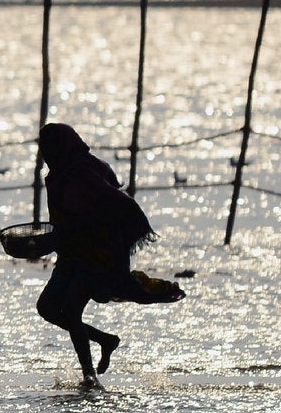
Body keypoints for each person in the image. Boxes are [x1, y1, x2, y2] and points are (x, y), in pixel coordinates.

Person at [34, 122, 186, 386]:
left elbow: (113, 206)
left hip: (96, 255)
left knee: (70, 311)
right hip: (72, 253)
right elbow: (65, 218)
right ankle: (105, 340)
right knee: (47, 307)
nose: (45, 154)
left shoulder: (84, 172)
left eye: (49, 148)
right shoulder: (58, 175)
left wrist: (88, 235)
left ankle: (88, 375)